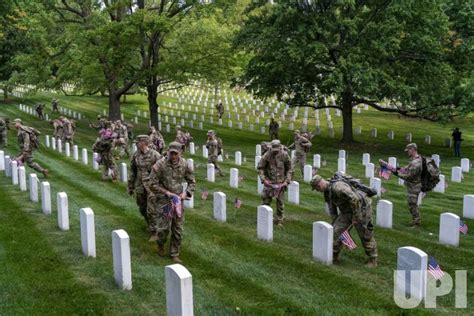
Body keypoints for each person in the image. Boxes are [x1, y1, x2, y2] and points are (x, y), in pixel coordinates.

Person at [310, 174, 378, 267]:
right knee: (337, 231)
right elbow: (332, 209)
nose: (318, 191)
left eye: (317, 189)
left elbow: (355, 199)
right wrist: (335, 223)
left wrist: (356, 217)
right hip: (347, 211)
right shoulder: (327, 192)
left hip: (362, 209)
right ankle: (334, 255)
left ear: (319, 185)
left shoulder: (338, 188)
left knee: (365, 234)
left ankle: (372, 259)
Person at [145, 142, 195, 263]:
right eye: (171, 153)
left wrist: (186, 193)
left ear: (180, 153)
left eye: (175, 153)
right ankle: (161, 244)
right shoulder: (160, 164)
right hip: (165, 201)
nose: (173, 156)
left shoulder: (184, 164)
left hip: (178, 201)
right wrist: (166, 192)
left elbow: (192, 181)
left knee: (178, 228)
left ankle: (174, 253)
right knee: (164, 228)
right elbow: (152, 183)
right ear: (168, 151)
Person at [128, 135, 161, 237]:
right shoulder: (135, 155)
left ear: (143, 142)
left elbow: (162, 171)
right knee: (142, 208)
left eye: (137, 142)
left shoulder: (155, 155)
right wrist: (130, 186)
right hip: (140, 186)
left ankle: (154, 231)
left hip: (152, 186)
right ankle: (149, 223)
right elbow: (133, 171)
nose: (136, 144)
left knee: (151, 209)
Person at [257, 139, 292, 226]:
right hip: (269, 181)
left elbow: (290, 169)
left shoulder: (285, 155)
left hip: (281, 182)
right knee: (265, 200)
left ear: (280, 148)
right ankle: (265, 217)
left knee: (280, 203)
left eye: (277, 150)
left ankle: (279, 219)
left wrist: (287, 181)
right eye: (273, 150)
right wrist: (263, 179)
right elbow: (260, 167)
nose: (275, 152)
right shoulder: (267, 155)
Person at [393, 143, 423, 227]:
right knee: (411, 203)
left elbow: (409, 176)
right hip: (413, 185)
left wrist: (397, 174)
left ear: (413, 149)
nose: (407, 152)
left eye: (408, 150)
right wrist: (400, 168)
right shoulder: (416, 159)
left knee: (412, 204)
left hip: (414, 186)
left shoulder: (416, 162)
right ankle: (415, 220)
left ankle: (417, 222)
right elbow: (409, 167)